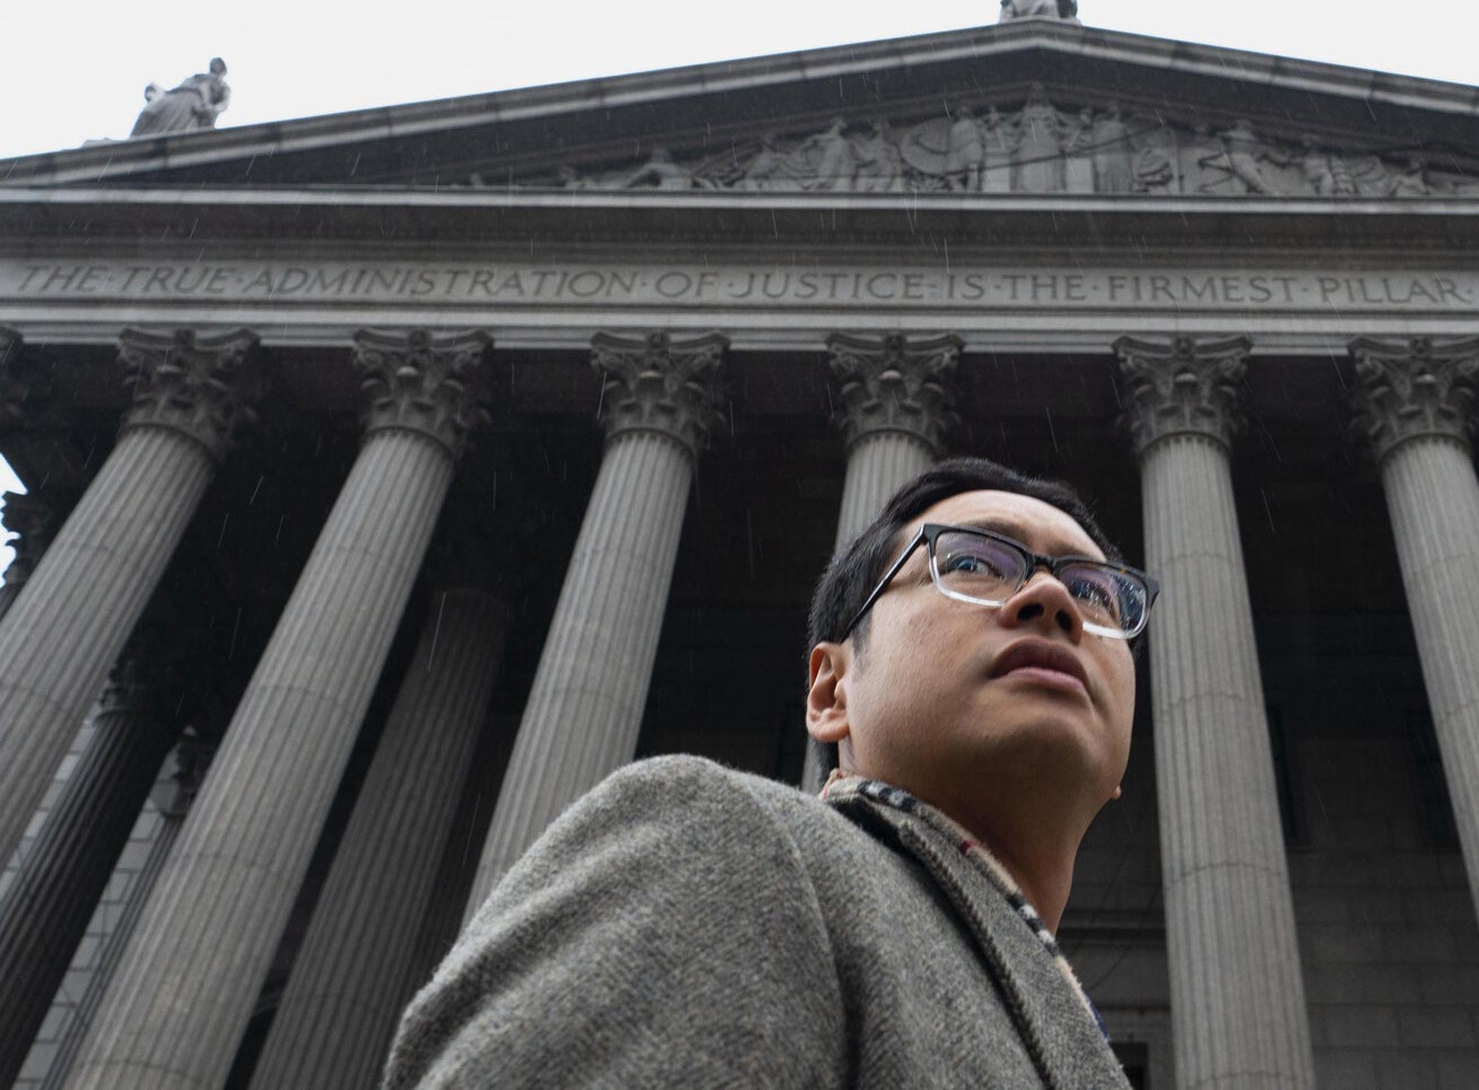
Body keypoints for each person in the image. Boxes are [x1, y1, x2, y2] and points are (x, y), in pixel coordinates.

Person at [384, 457, 1156, 1088]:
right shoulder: (720, 847)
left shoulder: (1061, 1032)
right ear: (829, 690)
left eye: (1095, 592)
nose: (1053, 597)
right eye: (973, 561)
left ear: (1121, 762)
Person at [130, 57, 229, 137]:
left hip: (192, 104)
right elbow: (176, 89)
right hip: (175, 98)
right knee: (148, 112)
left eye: (217, 64)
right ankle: (131, 142)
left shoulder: (221, 85)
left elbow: (223, 104)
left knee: (176, 129)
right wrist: (159, 91)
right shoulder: (196, 76)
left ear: (221, 70)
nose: (214, 65)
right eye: (214, 63)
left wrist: (211, 109)